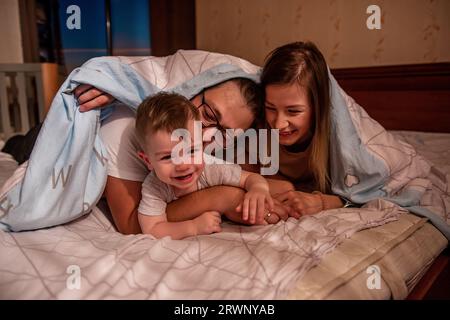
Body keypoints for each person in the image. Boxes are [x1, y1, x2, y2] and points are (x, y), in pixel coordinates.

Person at [76, 77, 294, 234]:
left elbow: (277, 186)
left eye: (225, 133)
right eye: (208, 114)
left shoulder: (208, 156)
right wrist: (221, 199)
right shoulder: (125, 129)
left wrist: (258, 191)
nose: (206, 134)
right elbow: (134, 225)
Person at [134, 92, 275, 239]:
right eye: (168, 157)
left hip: (234, 204)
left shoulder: (210, 170)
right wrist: (192, 227)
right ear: (148, 161)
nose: (183, 165)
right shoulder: (154, 187)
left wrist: (258, 189)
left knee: (279, 194)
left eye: (192, 151)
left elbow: (250, 178)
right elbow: (152, 229)